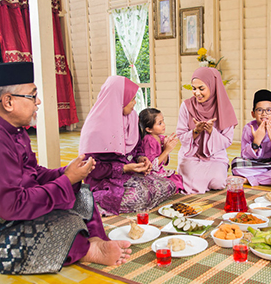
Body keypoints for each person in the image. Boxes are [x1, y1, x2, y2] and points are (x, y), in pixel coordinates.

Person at [0, 62, 131, 275]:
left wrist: (66, 173)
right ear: (8, 102)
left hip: (12, 211)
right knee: (64, 225)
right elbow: (11, 207)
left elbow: (33, 173)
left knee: (82, 195)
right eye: (32, 96)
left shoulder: (13, 131)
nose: (38, 102)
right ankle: (88, 249)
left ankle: (94, 240)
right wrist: (65, 180)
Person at [79, 76, 176, 215]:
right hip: (105, 180)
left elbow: (137, 148)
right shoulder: (96, 127)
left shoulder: (132, 118)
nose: (134, 103)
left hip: (129, 174)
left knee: (168, 185)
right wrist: (123, 168)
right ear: (118, 99)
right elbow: (92, 169)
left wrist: (141, 158)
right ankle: (92, 201)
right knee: (138, 196)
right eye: (131, 99)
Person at [176, 67, 238, 194]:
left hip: (214, 156)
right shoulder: (186, 106)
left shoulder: (224, 108)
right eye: (194, 88)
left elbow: (227, 140)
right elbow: (181, 135)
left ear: (213, 86)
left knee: (218, 182)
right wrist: (196, 131)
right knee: (189, 180)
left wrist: (211, 132)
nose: (197, 93)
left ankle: (218, 174)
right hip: (191, 155)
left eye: (201, 88)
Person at [231, 90, 271, 186]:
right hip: (256, 165)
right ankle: (269, 178)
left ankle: (249, 180)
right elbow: (245, 157)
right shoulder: (248, 128)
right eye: (259, 110)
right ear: (253, 114)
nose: (264, 114)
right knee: (236, 164)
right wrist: (256, 142)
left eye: (268, 110)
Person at [139, 108, 184, 192]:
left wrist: (166, 146)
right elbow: (151, 165)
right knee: (175, 184)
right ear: (148, 129)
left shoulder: (160, 137)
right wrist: (166, 150)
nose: (164, 125)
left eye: (163, 121)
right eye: (159, 123)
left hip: (160, 171)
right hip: (150, 174)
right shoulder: (149, 140)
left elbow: (164, 162)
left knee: (179, 180)